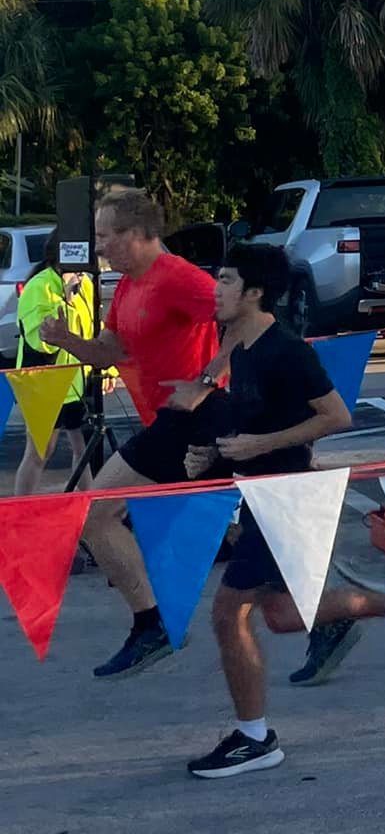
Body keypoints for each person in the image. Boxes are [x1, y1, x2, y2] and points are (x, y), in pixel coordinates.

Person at [186, 245, 385, 779]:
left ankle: (254, 738)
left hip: (289, 498)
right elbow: (249, 414)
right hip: (262, 495)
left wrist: (262, 447)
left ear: (254, 292)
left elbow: (336, 416)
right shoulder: (240, 345)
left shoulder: (286, 350)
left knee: (226, 612)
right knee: (283, 616)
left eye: (226, 280)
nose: (215, 289)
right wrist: (212, 450)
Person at [36, 189, 225, 678]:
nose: (99, 248)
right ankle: (356, 606)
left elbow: (248, 320)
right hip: (166, 425)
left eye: (104, 236)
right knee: (254, 541)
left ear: (137, 233)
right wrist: (66, 341)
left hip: (193, 423)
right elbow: (108, 353)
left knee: (94, 515)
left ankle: (151, 624)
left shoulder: (179, 278)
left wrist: (205, 383)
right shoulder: (127, 287)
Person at [11, 258, 95, 495]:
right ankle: (21, 509)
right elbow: (41, 342)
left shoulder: (85, 284)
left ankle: (91, 505)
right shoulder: (40, 286)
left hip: (75, 381)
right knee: (40, 451)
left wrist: (105, 370)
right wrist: (67, 302)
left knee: (85, 447)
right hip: (42, 382)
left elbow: (92, 330)